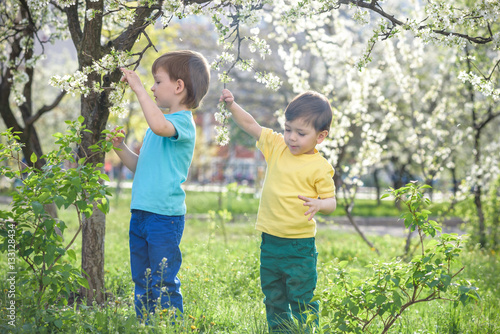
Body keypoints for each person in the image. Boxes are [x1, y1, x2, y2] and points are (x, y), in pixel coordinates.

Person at [219, 88, 337, 332]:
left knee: (302, 296)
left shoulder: (320, 167)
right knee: (273, 295)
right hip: (270, 240)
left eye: (301, 133)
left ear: (321, 136)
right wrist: (232, 105)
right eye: (288, 129)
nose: (292, 137)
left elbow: (331, 203)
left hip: (300, 246)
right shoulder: (276, 147)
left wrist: (319, 204)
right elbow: (250, 124)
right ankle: (280, 330)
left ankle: (306, 330)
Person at [109, 50, 210, 320]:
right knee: (141, 279)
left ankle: (169, 324)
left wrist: (139, 90)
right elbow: (140, 166)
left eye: (157, 81)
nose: (152, 87)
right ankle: (146, 323)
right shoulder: (158, 127)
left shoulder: (182, 124)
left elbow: (158, 124)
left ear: (178, 86)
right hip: (141, 213)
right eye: (151, 83)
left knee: (163, 280)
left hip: (164, 217)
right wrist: (119, 148)